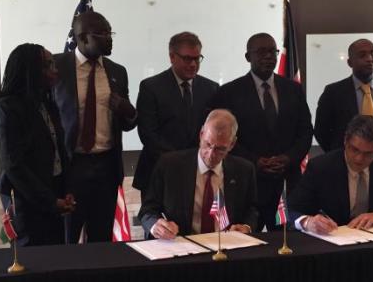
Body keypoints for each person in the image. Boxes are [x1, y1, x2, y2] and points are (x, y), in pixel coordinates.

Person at [210, 33, 312, 232]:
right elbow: (225, 139)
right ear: (248, 57)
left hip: (286, 183)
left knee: (287, 246)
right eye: (261, 52)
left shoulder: (293, 89)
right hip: (248, 183)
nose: (268, 57)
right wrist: (255, 161)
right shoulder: (229, 92)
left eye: (272, 51)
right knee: (247, 245)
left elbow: (305, 131)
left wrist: (288, 158)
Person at [52, 11, 137, 243]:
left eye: (111, 33)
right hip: (71, 167)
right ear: (81, 37)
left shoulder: (117, 71)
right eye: (102, 34)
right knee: (66, 240)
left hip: (106, 167)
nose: (109, 39)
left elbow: (128, 123)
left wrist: (128, 112)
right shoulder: (56, 67)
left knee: (101, 241)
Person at [0, 43, 75, 246]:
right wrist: (50, 201)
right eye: (48, 65)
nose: (55, 70)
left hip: (54, 195)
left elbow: (59, 151)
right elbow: (13, 165)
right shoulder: (7, 107)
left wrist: (66, 191)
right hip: (26, 201)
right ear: (31, 70)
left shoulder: (47, 103)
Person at [138, 109, 257, 239]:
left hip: (227, 245)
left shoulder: (244, 170)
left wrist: (246, 227)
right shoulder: (170, 165)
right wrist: (156, 225)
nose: (211, 154)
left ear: (232, 144)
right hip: (183, 244)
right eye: (208, 144)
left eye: (220, 149)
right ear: (201, 134)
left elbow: (252, 210)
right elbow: (148, 210)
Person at [133, 32, 219, 202]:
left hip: (199, 171)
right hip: (159, 170)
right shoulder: (151, 87)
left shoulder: (211, 88)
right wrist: (181, 161)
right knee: (158, 227)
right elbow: (148, 134)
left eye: (197, 58)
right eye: (187, 58)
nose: (193, 64)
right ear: (172, 57)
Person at [314, 39, 373, 152]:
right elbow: (321, 131)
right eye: (362, 55)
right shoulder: (333, 92)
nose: (369, 59)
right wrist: (339, 155)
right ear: (350, 62)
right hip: (343, 163)